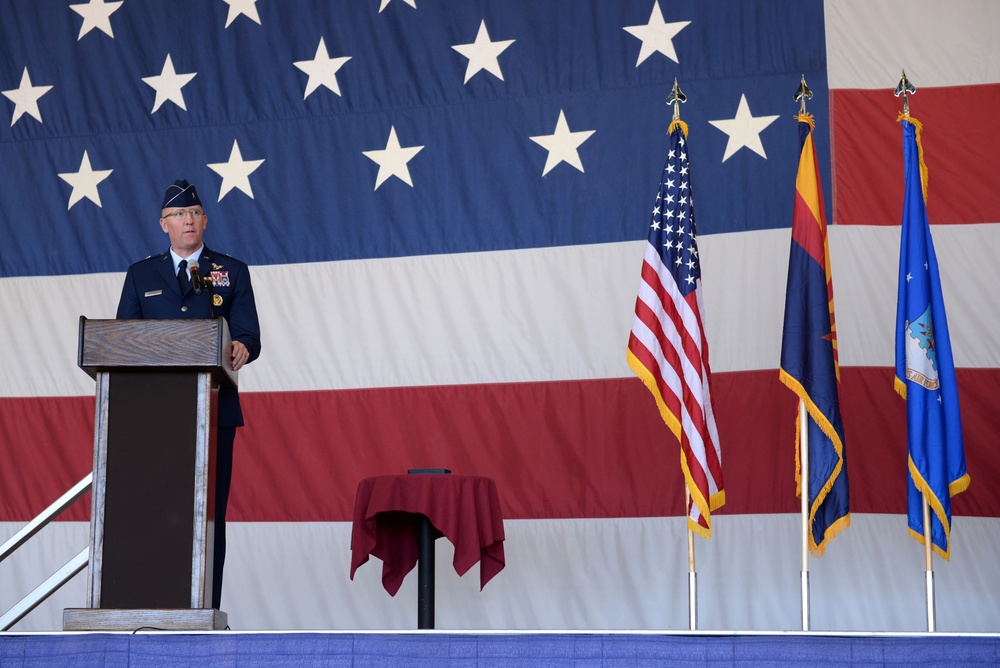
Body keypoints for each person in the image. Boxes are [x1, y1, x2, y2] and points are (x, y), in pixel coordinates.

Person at [116, 179, 261, 610]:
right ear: (164, 224)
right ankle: (153, 607)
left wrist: (242, 347)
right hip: (155, 417)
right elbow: (123, 341)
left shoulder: (230, 270)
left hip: (215, 412)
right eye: (179, 215)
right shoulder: (141, 274)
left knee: (209, 516)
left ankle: (205, 611)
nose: (188, 221)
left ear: (205, 220)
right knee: (155, 511)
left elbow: (250, 333)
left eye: (195, 213)